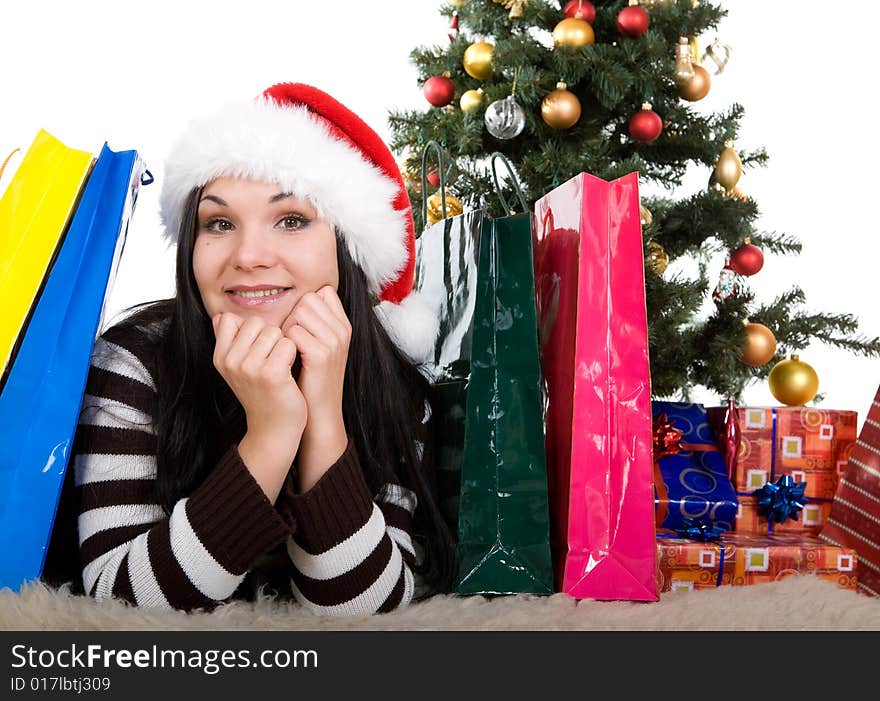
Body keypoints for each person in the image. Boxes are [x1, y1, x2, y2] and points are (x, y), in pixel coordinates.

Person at [45, 82, 455, 616]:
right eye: (219, 223)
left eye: (290, 220)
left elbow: (367, 607)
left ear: (346, 249)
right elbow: (122, 601)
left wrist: (322, 417)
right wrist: (272, 431)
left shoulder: (392, 386)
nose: (249, 255)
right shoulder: (133, 362)